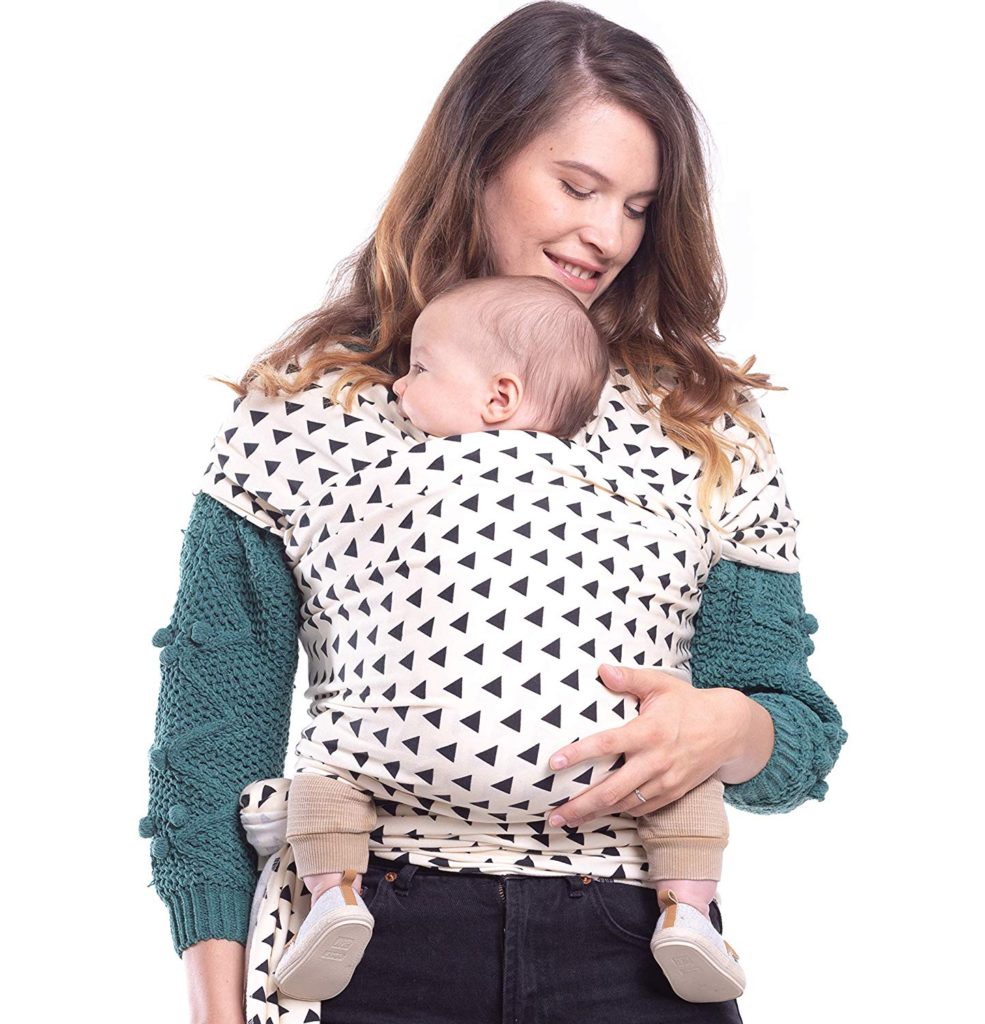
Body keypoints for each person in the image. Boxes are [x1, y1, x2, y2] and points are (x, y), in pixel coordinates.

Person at [140, 4, 848, 1022]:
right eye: (578, 185)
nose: (607, 234)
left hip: (636, 951)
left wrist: (727, 727)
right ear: (477, 159)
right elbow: (212, 744)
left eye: (639, 206)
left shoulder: (704, 425)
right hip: (367, 941)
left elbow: (794, 734)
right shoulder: (303, 410)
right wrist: (216, 1010)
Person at [272, 274, 744, 1005]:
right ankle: (687, 910)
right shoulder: (627, 488)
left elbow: (324, 549)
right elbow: (671, 580)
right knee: (682, 785)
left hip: (404, 755)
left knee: (323, 780)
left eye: (421, 370)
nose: (399, 388)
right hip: (593, 762)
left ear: (497, 399)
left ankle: (334, 895)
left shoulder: (397, 470)